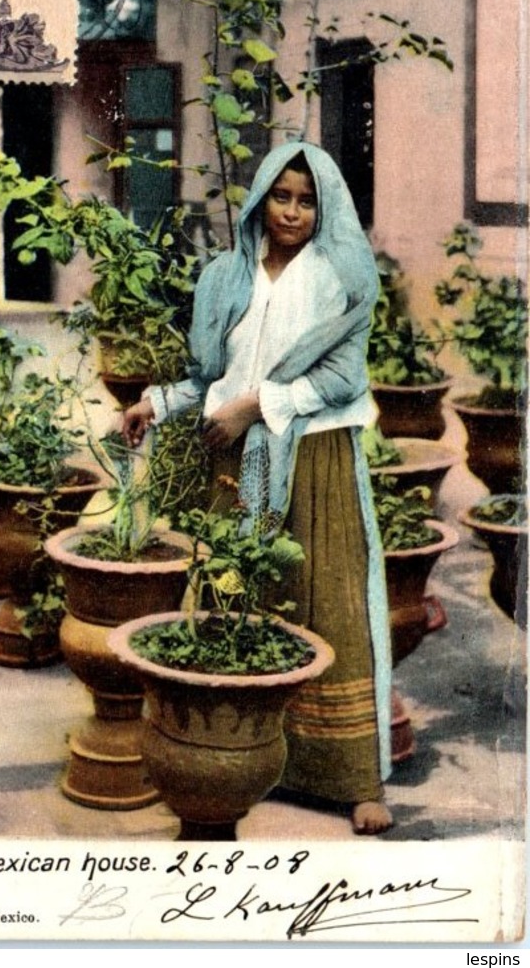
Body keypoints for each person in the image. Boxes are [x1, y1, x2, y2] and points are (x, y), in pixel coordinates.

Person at [122, 140, 392, 835]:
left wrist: (253, 406)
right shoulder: (225, 277)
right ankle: (239, 755)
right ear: (260, 200)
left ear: (321, 207)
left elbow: (343, 381)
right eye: (282, 196)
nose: (294, 211)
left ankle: (354, 778)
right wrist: (157, 401)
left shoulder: (338, 279)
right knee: (235, 596)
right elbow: (209, 374)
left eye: (307, 200)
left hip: (317, 454)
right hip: (240, 462)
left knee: (329, 602)